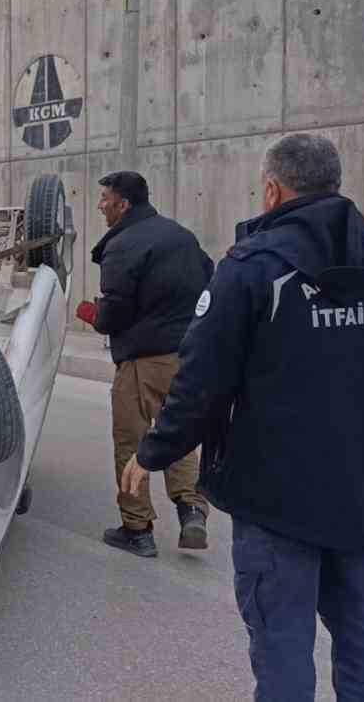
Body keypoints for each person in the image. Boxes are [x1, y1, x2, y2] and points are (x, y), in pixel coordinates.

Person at [123, 134, 364, 701]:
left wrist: (153, 453)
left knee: (283, 650)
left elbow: (201, 384)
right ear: (334, 183)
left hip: (277, 499)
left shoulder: (251, 269)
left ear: (271, 190)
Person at [76, 171, 213, 558]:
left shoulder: (123, 245)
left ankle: (137, 530)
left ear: (123, 204)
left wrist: (94, 314)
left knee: (131, 441)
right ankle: (191, 511)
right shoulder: (181, 236)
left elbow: (115, 313)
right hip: (186, 357)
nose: (100, 205)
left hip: (142, 361)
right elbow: (210, 281)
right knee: (177, 434)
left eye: (105, 199)